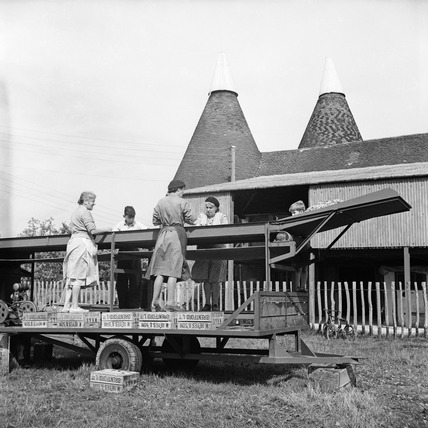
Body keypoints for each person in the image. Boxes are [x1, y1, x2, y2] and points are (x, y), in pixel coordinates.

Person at [146, 179, 196, 312]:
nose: (183, 193)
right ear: (178, 189)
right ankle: (170, 302)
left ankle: (154, 301)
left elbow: (155, 220)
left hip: (163, 235)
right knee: (173, 270)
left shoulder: (160, 202)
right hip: (176, 236)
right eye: (182, 190)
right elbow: (192, 219)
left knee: (160, 271)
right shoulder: (182, 202)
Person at [62, 191, 112, 312]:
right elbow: (93, 230)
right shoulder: (85, 212)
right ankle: (74, 306)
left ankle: (66, 305)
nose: (93, 204)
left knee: (71, 276)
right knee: (78, 275)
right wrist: (107, 229)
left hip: (73, 242)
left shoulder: (75, 211)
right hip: (81, 244)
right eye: (92, 202)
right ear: (85, 201)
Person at [191, 196, 228, 311]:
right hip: (204, 248)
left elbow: (226, 230)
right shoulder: (201, 217)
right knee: (206, 278)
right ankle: (207, 303)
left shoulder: (222, 217)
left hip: (217, 249)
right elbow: (196, 230)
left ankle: (215, 303)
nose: (208, 209)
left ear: (216, 208)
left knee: (215, 278)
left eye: (211, 207)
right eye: (206, 207)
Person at [113, 206, 148, 309]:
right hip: (123, 254)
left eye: (133, 217)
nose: (131, 219)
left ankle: (134, 305)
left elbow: (146, 231)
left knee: (136, 280)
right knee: (121, 280)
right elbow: (113, 234)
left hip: (134, 254)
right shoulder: (119, 226)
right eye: (129, 217)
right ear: (124, 216)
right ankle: (123, 305)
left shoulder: (138, 225)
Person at [289, 200, 309, 291]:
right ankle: (297, 286)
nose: (293, 215)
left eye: (294, 212)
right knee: (298, 267)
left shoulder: (307, 219)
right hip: (297, 243)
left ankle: (303, 286)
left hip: (305, 243)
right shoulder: (292, 221)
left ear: (301, 211)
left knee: (305, 267)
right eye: (292, 213)